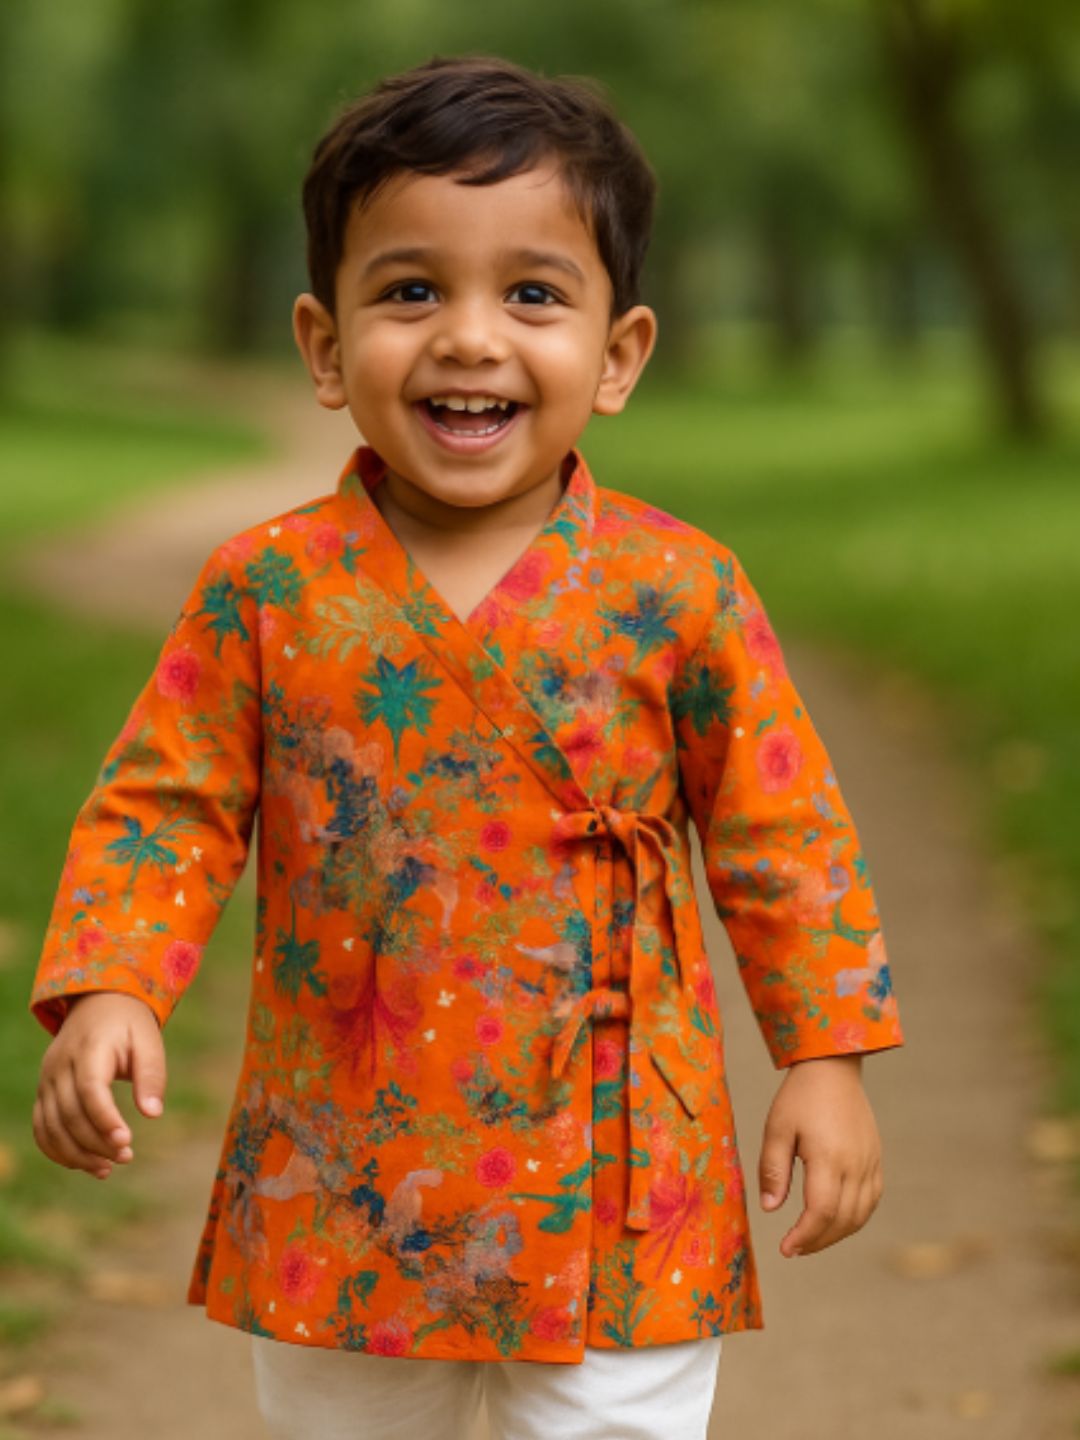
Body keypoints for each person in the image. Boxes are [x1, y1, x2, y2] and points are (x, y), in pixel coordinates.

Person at [27, 53, 903, 1440]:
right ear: (325, 346)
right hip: (350, 1166)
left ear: (619, 357)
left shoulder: (682, 590)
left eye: (535, 294)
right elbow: (168, 805)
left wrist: (828, 1054)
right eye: (412, 289)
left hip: (619, 1169)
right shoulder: (268, 589)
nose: (472, 338)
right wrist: (113, 985)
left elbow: (779, 831)